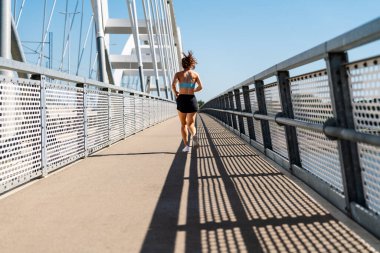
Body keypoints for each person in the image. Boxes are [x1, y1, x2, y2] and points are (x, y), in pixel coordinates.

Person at [171, 51, 203, 152]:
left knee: (183, 124)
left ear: (183, 64)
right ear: (191, 64)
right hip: (192, 99)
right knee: (191, 124)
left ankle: (186, 147)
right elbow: (201, 87)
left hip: (182, 99)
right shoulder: (195, 74)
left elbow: (173, 85)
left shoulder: (178, 74)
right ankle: (194, 136)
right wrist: (193, 90)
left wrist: (176, 92)